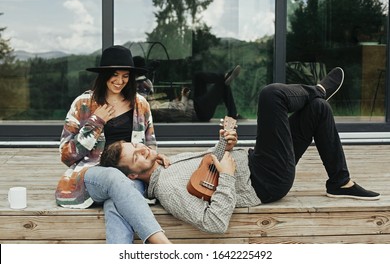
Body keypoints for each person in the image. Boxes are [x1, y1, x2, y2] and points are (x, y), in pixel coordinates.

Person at [99, 67, 380, 234]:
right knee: (271, 95)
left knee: (317, 111)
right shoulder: (168, 191)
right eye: (135, 156)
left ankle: (340, 181)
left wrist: (225, 143)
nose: (142, 150)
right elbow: (215, 222)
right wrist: (229, 176)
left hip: (257, 161)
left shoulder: (168, 165)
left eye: (136, 146)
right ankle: (317, 89)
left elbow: (211, 165)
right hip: (263, 180)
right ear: (132, 177)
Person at [55, 45, 171, 244]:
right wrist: (95, 122)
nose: (120, 81)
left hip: (129, 176)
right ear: (104, 75)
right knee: (113, 176)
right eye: (114, 75)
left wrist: (154, 157)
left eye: (125, 76)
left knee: (115, 205)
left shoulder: (140, 104)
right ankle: (164, 246)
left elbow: (150, 144)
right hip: (93, 175)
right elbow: (66, 155)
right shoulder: (83, 104)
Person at [141, 62, 242, 122]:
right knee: (222, 84)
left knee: (198, 76)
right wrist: (184, 97)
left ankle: (233, 113)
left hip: (196, 105)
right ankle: (224, 78)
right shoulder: (156, 109)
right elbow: (180, 110)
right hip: (199, 112)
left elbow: (173, 107)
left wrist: (177, 99)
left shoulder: (154, 104)